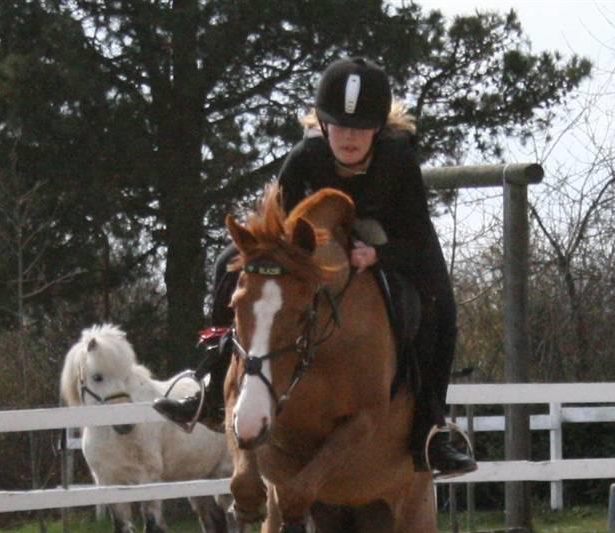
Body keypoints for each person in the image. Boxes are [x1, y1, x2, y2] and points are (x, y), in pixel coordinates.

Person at [155, 56, 476, 476]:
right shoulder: (307, 155)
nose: (349, 138)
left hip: (392, 239)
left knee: (442, 310)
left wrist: (379, 255)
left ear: (377, 129)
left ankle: (431, 427)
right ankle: (212, 388)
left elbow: (415, 237)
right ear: (323, 126)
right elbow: (274, 223)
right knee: (227, 265)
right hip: (317, 243)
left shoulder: (397, 161)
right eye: (340, 127)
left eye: (360, 128)